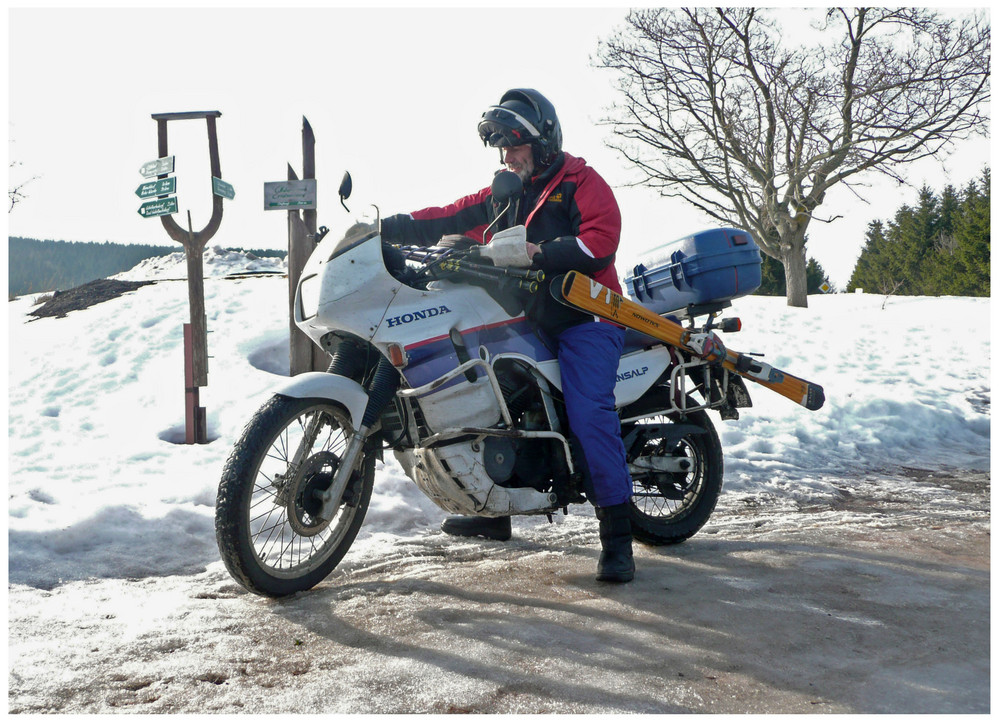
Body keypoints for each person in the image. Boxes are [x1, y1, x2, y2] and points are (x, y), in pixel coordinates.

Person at [379, 89, 635, 583]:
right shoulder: (506, 192)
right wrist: (383, 227)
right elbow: (450, 215)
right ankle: (491, 508)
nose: (506, 157)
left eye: (514, 148)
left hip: (585, 317)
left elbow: (600, 242)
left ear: (542, 144)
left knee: (588, 412)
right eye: (501, 149)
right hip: (527, 318)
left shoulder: (580, 182)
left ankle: (617, 537)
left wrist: (539, 252)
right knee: (480, 394)